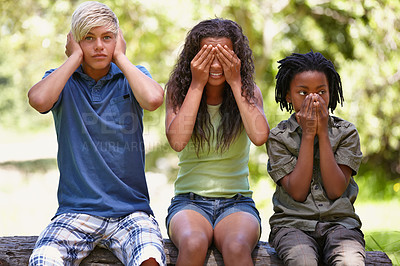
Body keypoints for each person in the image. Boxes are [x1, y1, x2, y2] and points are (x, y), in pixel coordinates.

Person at [27, 2, 166, 265]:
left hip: (130, 211)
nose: (99, 46)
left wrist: (121, 58)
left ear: (118, 41)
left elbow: (153, 99)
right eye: (88, 38)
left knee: (150, 259)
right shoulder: (61, 80)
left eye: (107, 38)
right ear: (75, 43)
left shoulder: (131, 77)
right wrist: (73, 59)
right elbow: (39, 100)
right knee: (44, 259)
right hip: (76, 211)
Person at [164, 18, 270, 266]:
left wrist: (235, 82)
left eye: (224, 56)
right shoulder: (178, 91)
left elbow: (259, 137)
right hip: (189, 202)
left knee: (236, 246)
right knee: (193, 243)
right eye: (207, 56)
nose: (215, 65)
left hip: (237, 202)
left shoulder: (249, 92)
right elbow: (177, 141)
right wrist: (197, 83)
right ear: (193, 58)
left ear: (237, 58)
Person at [266, 51, 365, 266]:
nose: (314, 99)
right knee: (303, 261)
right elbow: (298, 192)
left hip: (341, 225)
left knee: (350, 261)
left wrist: (322, 133)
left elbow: (335, 190)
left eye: (321, 92)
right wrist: (308, 135)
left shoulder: (346, 132)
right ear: (288, 96)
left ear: (331, 93)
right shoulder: (278, 137)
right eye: (303, 92)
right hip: (292, 225)